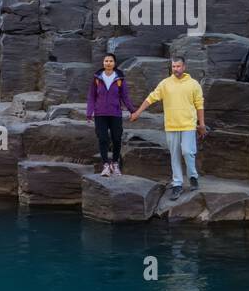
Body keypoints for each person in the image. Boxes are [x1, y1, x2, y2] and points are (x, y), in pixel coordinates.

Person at [130, 56, 205, 200]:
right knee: (175, 155)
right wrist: (138, 112)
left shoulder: (194, 84)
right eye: (174, 66)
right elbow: (151, 97)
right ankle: (177, 184)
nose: (176, 69)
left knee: (187, 151)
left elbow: (199, 104)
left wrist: (201, 124)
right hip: (171, 125)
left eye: (178, 66)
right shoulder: (165, 84)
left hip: (188, 124)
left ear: (184, 67)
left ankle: (193, 176)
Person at [86, 53, 135, 177]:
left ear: (114, 63)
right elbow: (92, 96)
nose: (108, 63)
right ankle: (106, 165)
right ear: (103, 63)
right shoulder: (97, 78)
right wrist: (89, 112)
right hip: (100, 114)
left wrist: (132, 110)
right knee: (103, 139)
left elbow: (125, 96)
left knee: (117, 139)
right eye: (106, 61)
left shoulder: (119, 78)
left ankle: (115, 163)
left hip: (115, 114)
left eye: (111, 61)